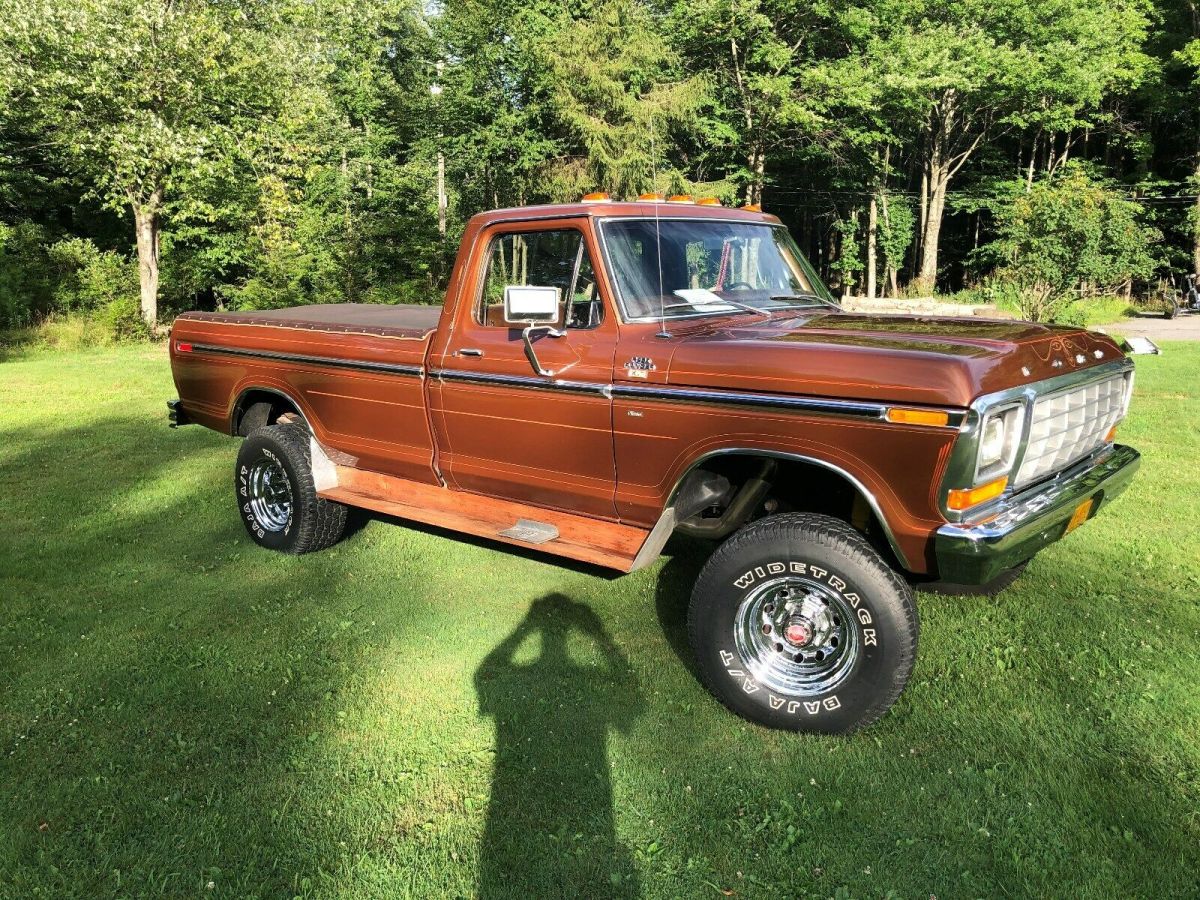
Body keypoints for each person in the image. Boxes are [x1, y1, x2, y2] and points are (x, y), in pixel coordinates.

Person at [475, 594, 643, 898]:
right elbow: (631, 697)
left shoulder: (520, 678)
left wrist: (525, 628)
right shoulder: (592, 680)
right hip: (594, 798)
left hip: (510, 802)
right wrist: (600, 636)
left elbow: (485, 675)